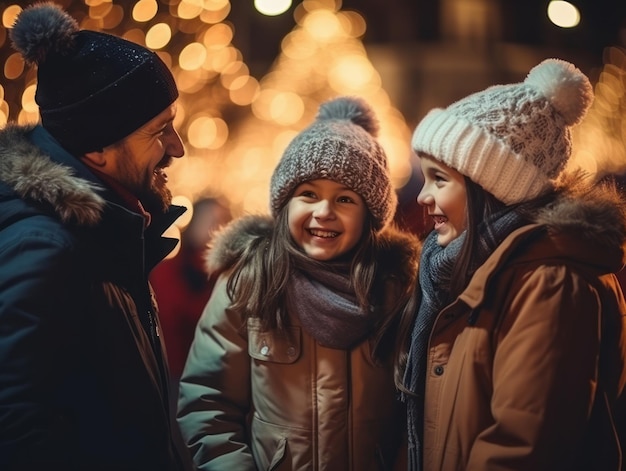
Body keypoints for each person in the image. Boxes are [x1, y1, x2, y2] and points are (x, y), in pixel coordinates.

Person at [396, 57, 626, 471]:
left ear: (491, 185)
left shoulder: (550, 282)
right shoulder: (465, 272)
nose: (423, 197)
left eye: (440, 179)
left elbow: (523, 447)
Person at [177, 96, 421, 470]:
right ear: (285, 202)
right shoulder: (249, 282)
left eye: (344, 199)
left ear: (370, 216)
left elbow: (412, 413)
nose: (324, 212)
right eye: (309, 194)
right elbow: (208, 402)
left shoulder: (393, 291)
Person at [0, 3, 193, 470]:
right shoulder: (47, 248)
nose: (177, 147)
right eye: (159, 130)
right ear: (97, 149)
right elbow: (18, 430)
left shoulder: (107, 229)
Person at [151, 197, 232, 389]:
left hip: (215, 376)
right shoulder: (167, 271)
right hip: (173, 374)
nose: (216, 230)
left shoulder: (229, 276)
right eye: (210, 221)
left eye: (222, 222)